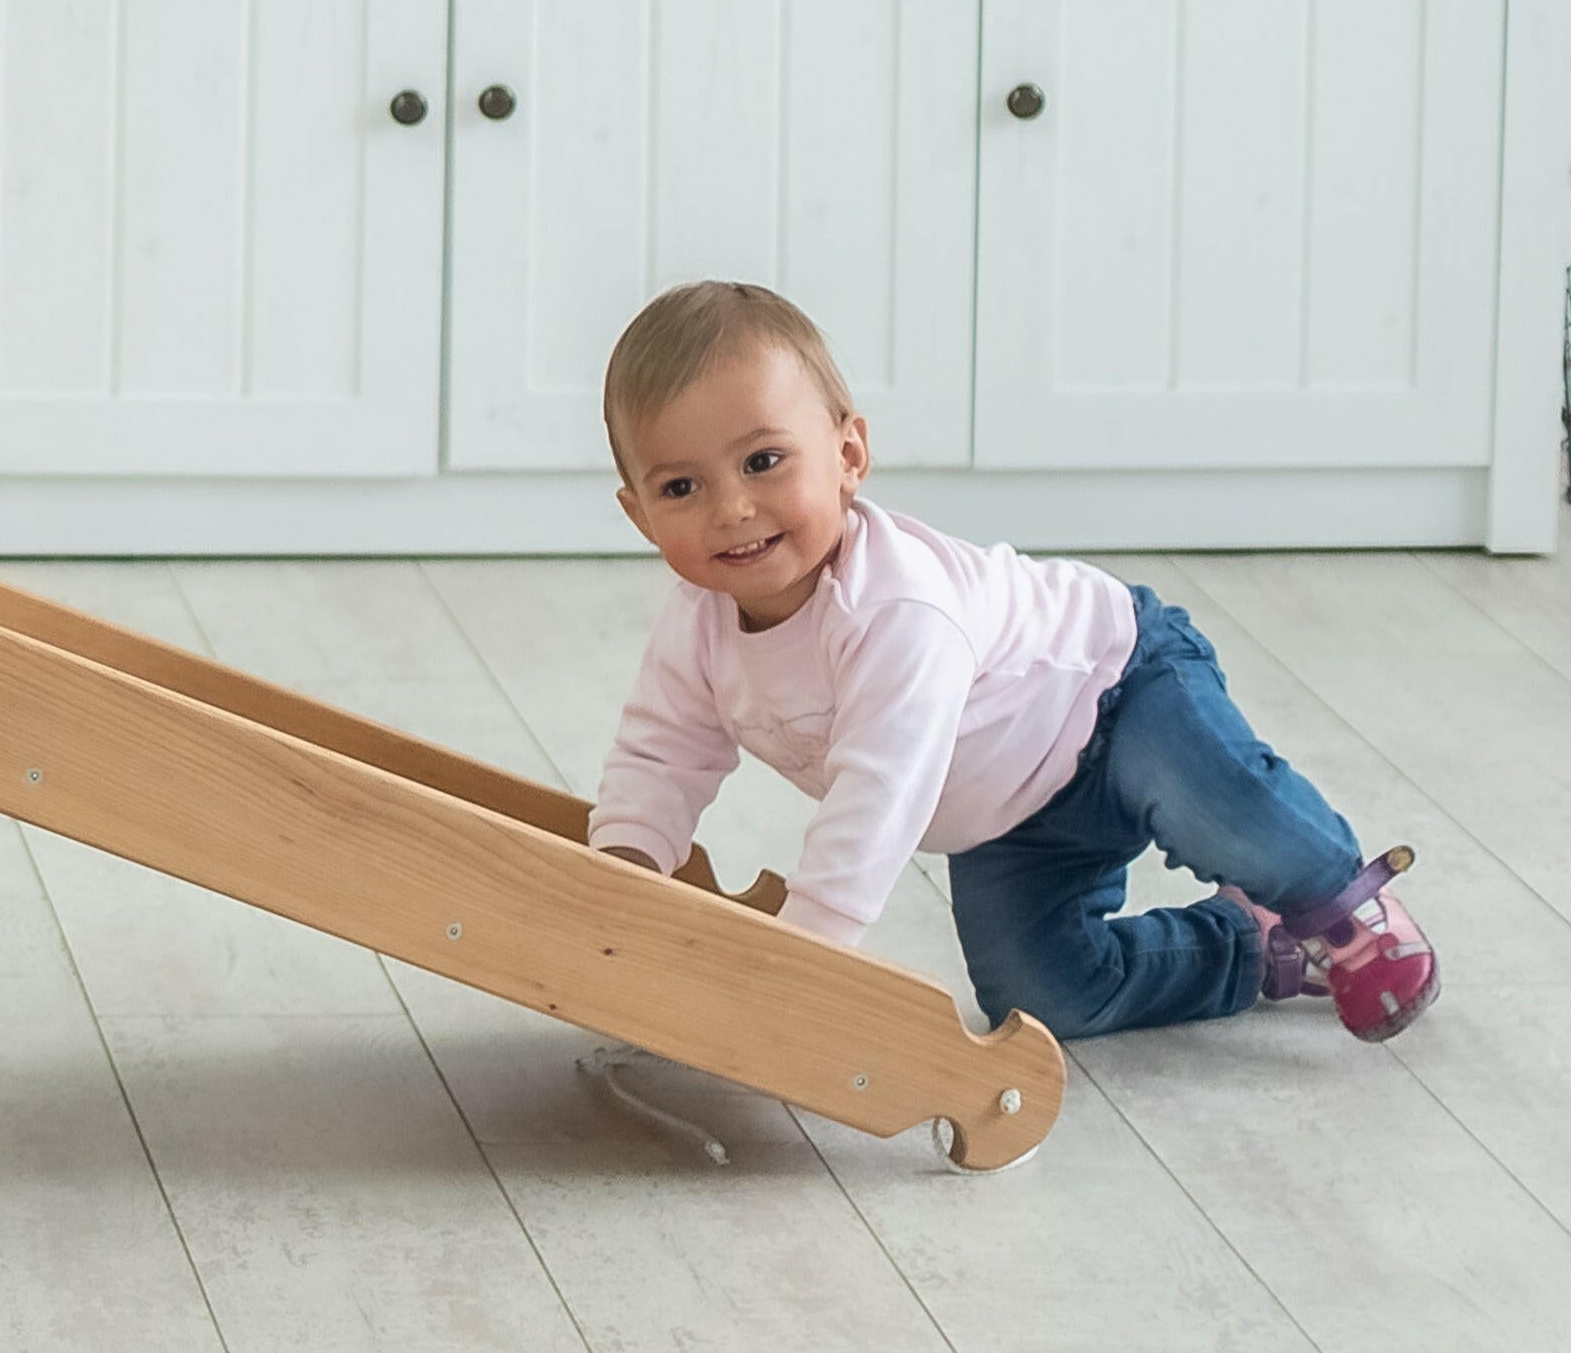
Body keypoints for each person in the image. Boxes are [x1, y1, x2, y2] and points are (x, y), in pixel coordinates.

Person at [585, 279, 1435, 1043]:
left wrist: (807, 954)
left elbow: (879, 793)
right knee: (1042, 998)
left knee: (1233, 817)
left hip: (1116, 692)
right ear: (639, 514)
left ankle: (1344, 905)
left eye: (763, 462)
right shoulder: (697, 626)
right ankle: (1250, 948)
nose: (732, 509)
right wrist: (622, 868)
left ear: (848, 457)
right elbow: (661, 755)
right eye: (681, 488)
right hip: (1009, 815)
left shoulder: (896, 611)